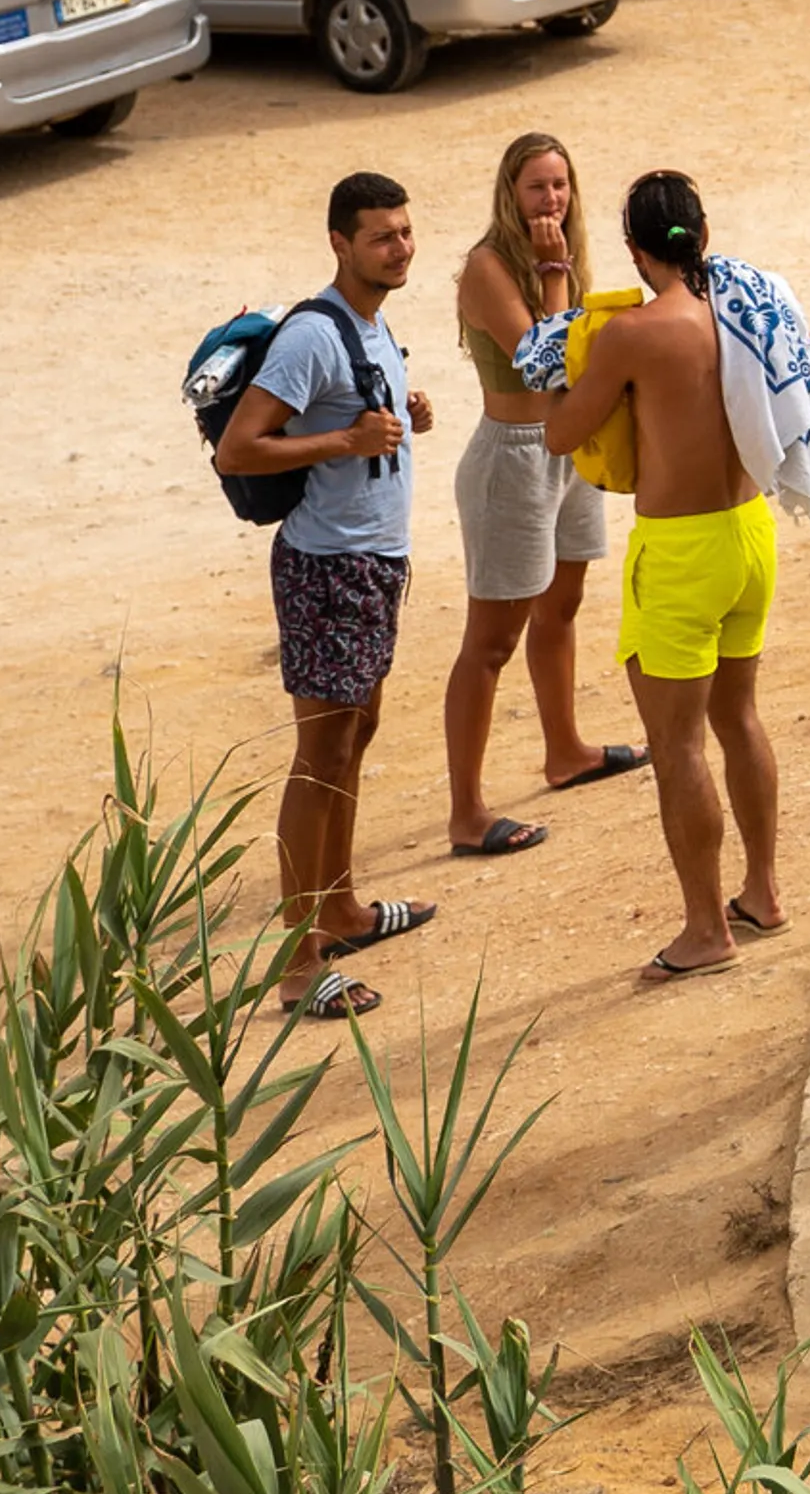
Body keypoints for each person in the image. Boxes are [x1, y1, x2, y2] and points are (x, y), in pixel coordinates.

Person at [530, 169, 810, 982]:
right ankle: (763, 892)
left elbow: (562, 435)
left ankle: (706, 928)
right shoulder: (742, 308)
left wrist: (564, 357)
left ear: (634, 248)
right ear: (702, 234)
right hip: (749, 534)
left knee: (677, 744)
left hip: (679, 551)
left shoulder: (636, 335)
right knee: (741, 719)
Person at [213, 167, 439, 1016]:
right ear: (340, 243)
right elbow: (239, 450)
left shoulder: (375, 325)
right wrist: (346, 438)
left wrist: (393, 420)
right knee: (319, 760)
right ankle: (298, 963)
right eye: (382, 236)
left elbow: (352, 424)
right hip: (326, 568)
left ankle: (340, 906)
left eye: (406, 231)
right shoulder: (313, 335)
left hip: (375, 564)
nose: (400, 247)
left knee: (356, 736)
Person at [440, 128, 639, 855]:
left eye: (560, 185)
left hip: (566, 451)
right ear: (510, 192)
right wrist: (555, 272)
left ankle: (565, 751)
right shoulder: (490, 267)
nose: (550, 199)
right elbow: (543, 365)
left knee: (562, 607)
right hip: (512, 461)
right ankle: (466, 809)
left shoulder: (568, 261)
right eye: (536, 187)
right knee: (489, 642)